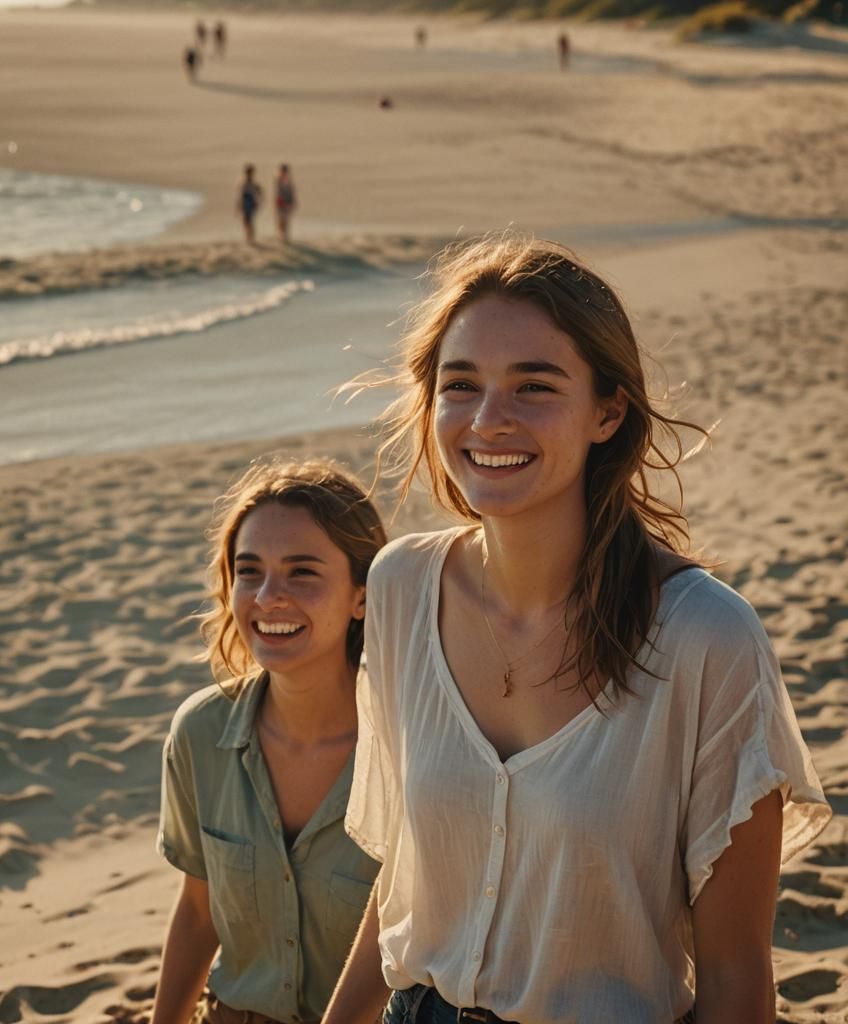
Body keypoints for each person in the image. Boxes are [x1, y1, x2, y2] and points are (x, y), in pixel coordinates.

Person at [322, 236, 831, 1024]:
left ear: (608, 411)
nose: (490, 420)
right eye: (462, 385)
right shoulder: (398, 588)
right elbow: (402, 885)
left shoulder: (706, 639)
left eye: (534, 385)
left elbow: (736, 982)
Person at [151, 460, 388, 1024]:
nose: (267, 597)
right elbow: (197, 914)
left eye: (302, 572)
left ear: (361, 593)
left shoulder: (406, 746)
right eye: (249, 571)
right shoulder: (200, 734)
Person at [238, 164, 263, 244]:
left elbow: (259, 192)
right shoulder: (245, 182)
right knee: (247, 221)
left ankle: (250, 238)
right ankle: (249, 237)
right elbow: (240, 195)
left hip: (249, 204)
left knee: (248, 221)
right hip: (246, 204)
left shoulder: (250, 183)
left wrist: (258, 201)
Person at [275, 164, 297, 244]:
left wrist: (293, 202)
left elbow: (292, 192)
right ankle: (281, 236)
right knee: (281, 220)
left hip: (287, 202)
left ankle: (285, 236)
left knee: (286, 220)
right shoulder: (278, 180)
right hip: (280, 203)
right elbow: (277, 193)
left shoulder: (289, 181)